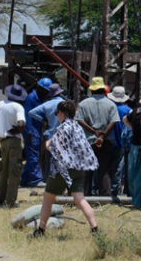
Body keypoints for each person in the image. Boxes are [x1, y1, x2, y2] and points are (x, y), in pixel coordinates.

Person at [31, 100, 100, 238]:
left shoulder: (63, 128)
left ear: (62, 113)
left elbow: (55, 149)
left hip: (62, 169)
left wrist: (47, 144)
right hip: (79, 168)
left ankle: (41, 230)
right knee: (80, 199)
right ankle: (95, 228)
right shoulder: (77, 127)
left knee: (48, 198)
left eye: (57, 113)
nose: (56, 115)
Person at [74, 77, 120, 196]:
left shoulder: (83, 104)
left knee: (86, 170)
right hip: (107, 141)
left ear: (92, 90)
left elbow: (79, 120)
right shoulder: (111, 104)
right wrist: (103, 135)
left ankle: (85, 195)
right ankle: (105, 195)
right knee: (104, 170)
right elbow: (114, 121)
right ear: (103, 89)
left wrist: (94, 131)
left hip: (88, 141)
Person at [0, 84, 28, 208]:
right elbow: (21, 123)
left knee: (3, 171)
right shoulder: (18, 107)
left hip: (3, 141)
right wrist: (17, 130)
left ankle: (0, 199)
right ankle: (10, 201)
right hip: (14, 141)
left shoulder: (0, 105)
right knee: (14, 172)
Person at [28, 84, 68, 184]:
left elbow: (31, 112)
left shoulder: (47, 104)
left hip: (50, 135)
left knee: (48, 159)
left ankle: (48, 179)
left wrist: (43, 120)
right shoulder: (65, 104)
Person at [21, 78, 52, 187]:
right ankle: (35, 180)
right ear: (40, 88)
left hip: (36, 130)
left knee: (32, 155)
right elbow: (28, 116)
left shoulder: (39, 98)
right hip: (31, 131)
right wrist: (29, 132)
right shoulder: (31, 98)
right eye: (46, 90)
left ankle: (24, 179)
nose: (47, 93)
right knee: (33, 155)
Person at [106, 86, 131, 201]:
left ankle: (105, 189)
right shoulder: (128, 110)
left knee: (106, 167)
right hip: (122, 142)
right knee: (118, 168)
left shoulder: (109, 107)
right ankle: (115, 190)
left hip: (108, 140)